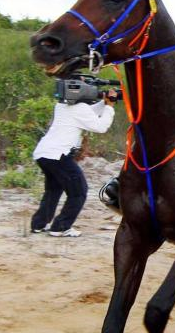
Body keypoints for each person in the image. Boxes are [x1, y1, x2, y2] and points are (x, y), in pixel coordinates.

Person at [30, 89, 117, 237]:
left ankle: (39, 224)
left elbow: (88, 112)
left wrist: (104, 102)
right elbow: (101, 127)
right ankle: (61, 227)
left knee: (53, 190)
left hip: (43, 154)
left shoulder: (61, 106)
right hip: (58, 155)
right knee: (79, 191)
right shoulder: (80, 109)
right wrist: (109, 107)